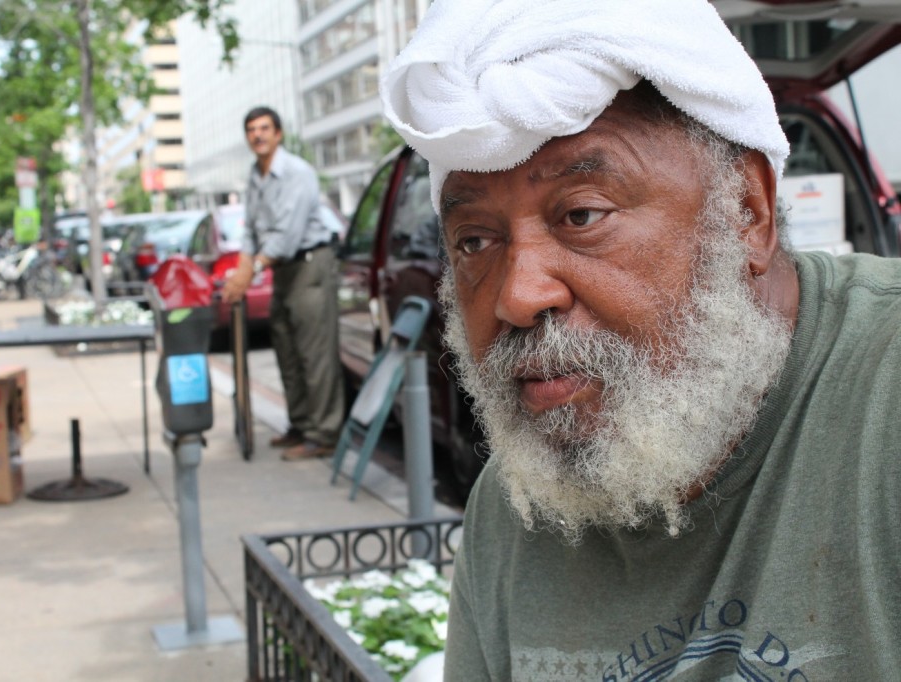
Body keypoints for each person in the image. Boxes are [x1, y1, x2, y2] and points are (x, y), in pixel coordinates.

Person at [381, 1, 901, 679]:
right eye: (475, 241)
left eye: (582, 215)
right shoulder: (506, 517)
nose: (517, 294)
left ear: (747, 211)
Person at [222, 106, 344, 461]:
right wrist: (243, 267)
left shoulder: (296, 172)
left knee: (314, 354)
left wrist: (251, 270)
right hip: (282, 270)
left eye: (264, 128)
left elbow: (287, 235)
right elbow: (251, 229)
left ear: (278, 134)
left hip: (308, 264)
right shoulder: (255, 174)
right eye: (251, 130)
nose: (257, 135)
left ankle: (324, 435)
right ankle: (301, 425)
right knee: (287, 349)